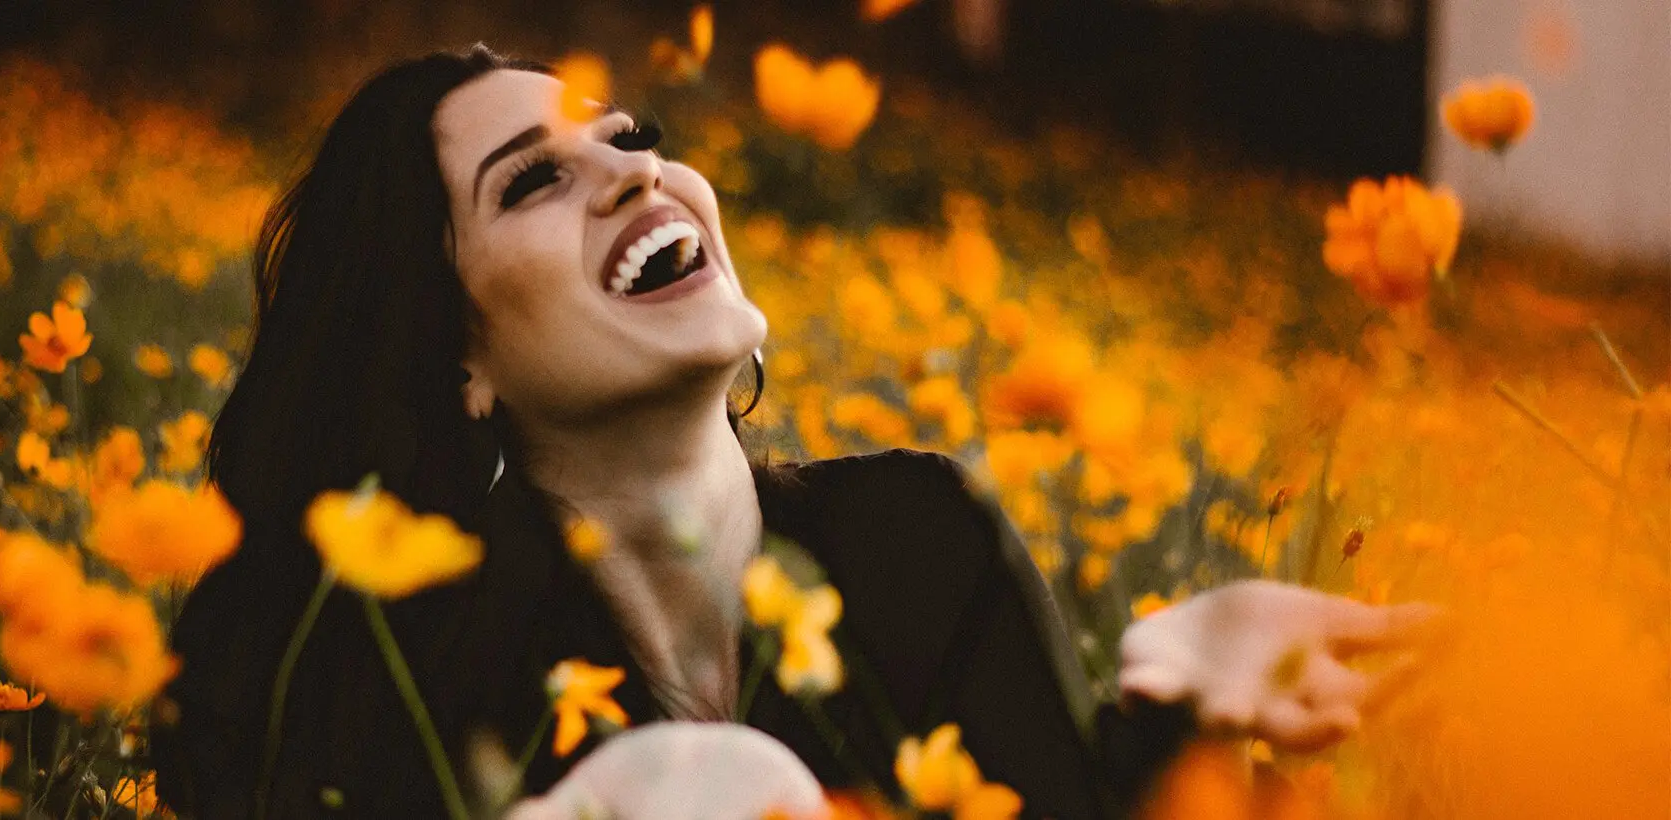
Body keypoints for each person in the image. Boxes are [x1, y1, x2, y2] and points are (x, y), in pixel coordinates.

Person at [151, 44, 1428, 819]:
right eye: (536, 180)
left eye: (629, 141)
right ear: (458, 361)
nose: (639, 174)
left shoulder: (922, 540)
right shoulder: (427, 684)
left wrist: (1172, 693)